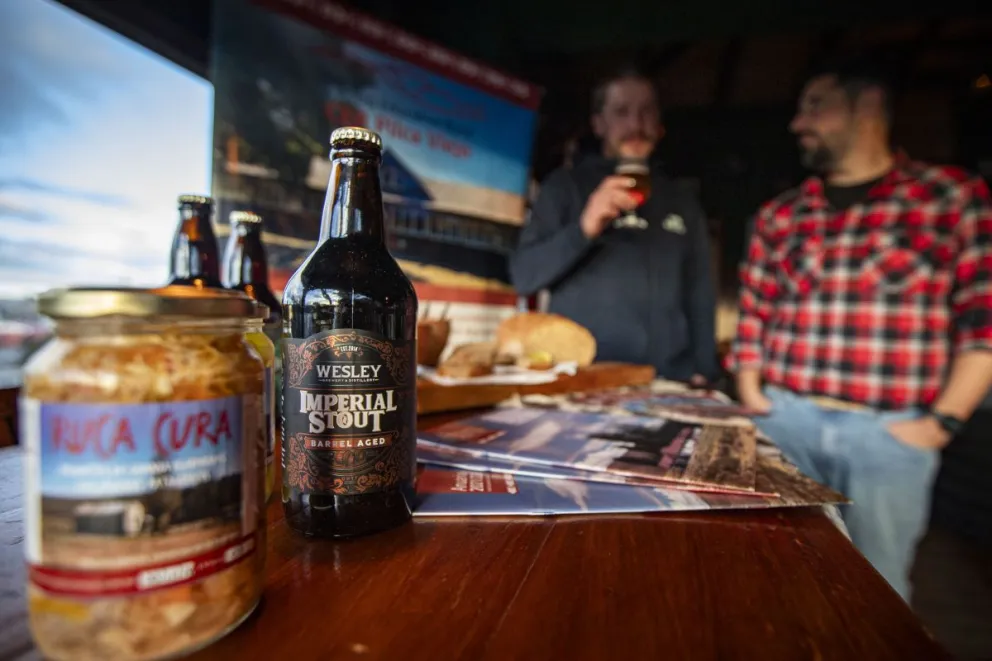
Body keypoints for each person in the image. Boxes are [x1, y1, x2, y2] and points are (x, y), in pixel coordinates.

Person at [727, 57, 992, 600]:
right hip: (788, 423)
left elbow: (983, 321)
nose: (798, 123)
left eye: (814, 106)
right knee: (772, 575)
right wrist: (758, 400)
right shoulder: (782, 214)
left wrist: (940, 423)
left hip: (890, 434)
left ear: (867, 105)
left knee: (876, 590)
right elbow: (753, 313)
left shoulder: (951, 197)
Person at [509, 66, 719, 383]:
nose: (635, 124)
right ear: (599, 124)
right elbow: (525, 277)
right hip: (583, 379)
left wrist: (705, 369)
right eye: (621, 112)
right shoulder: (565, 187)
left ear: (659, 121)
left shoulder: (682, 200)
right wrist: (584, 228)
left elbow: (700, 293)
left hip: (666, 382)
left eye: (646, 111)